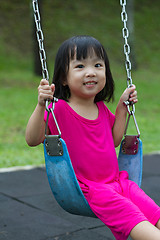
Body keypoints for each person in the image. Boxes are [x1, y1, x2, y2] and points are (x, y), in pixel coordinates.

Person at [26, 35, 160, 240]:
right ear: (63, 78)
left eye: (98, 64)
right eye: (80, 66)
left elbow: (114, 140)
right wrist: (41, 106)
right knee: (136, 220)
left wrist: (123, 107)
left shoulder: (101, 108)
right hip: (91, 191)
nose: (91, 72)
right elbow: (32, 139)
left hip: (120, 183)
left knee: (154, 213)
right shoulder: (59, 109)